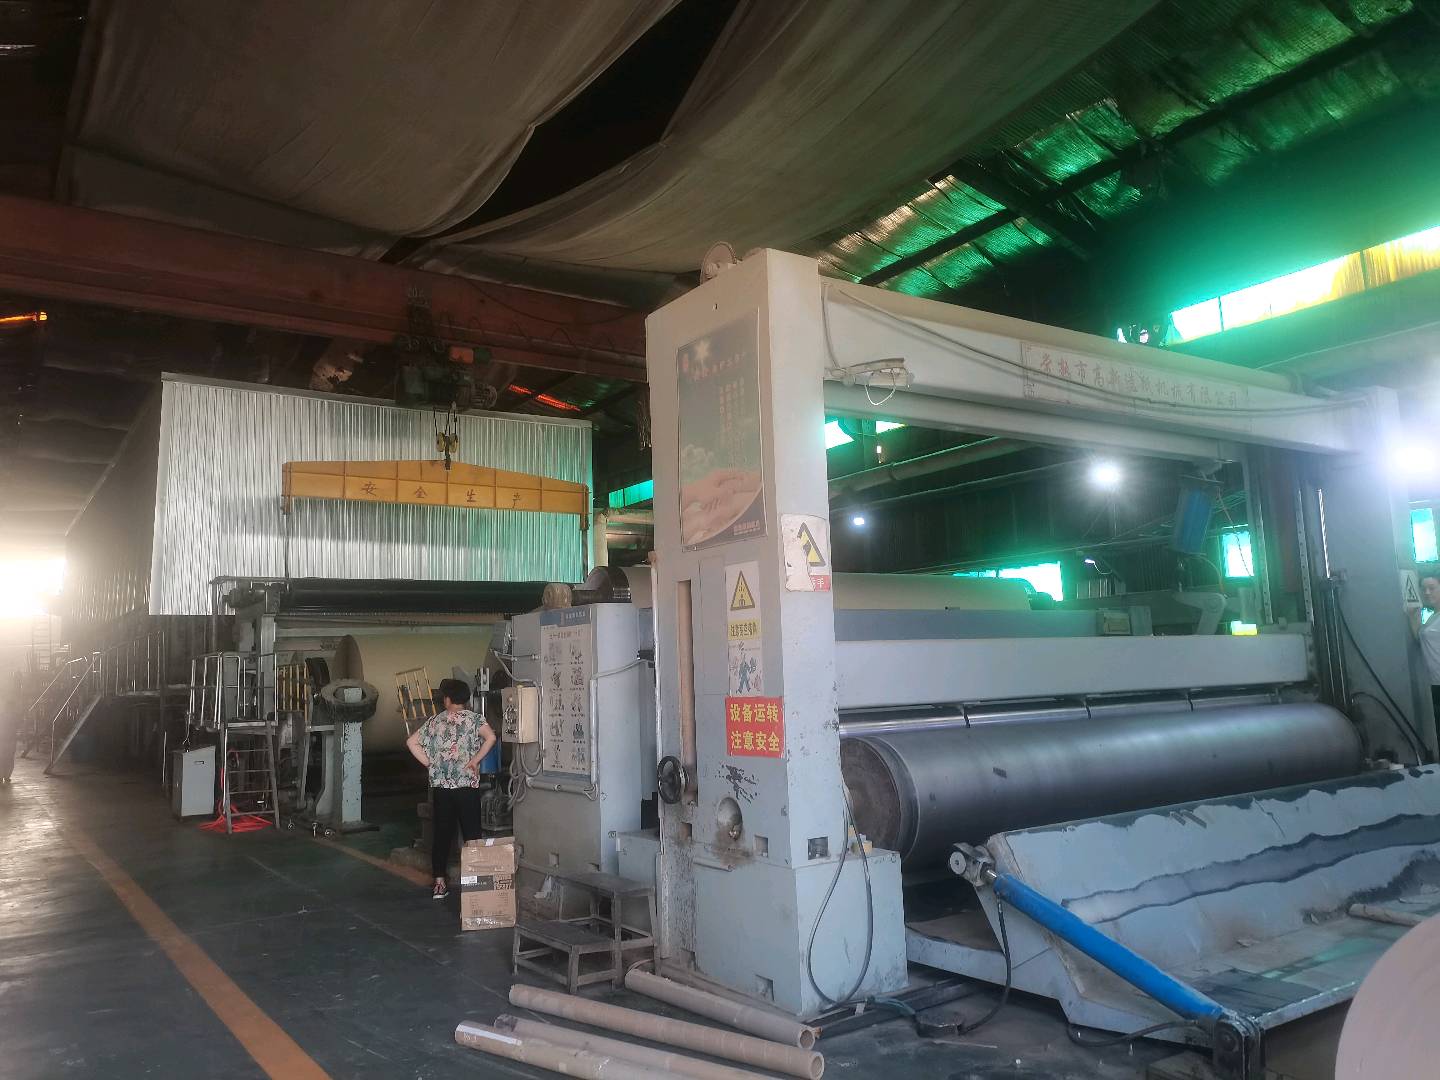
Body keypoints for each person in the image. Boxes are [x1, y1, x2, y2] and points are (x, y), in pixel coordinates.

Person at [405, 678, 496, 900]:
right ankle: (478, 885)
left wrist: (430, 764)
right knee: (472, 834)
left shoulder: (435, 721)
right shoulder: (475, 719)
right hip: (467, 787)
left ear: (447, 699)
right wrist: (475, 760)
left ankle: (439, 883)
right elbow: (491, 738)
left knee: (442, 834)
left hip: (442, 788)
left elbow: (411, 742)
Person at [1412, 570, 1440, 728]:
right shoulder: (1433, 616)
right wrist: (1412, 615)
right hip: (1433, 682)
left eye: (1432, 588)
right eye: (1423, 589)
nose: (1427, 592)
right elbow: (1420, 638)